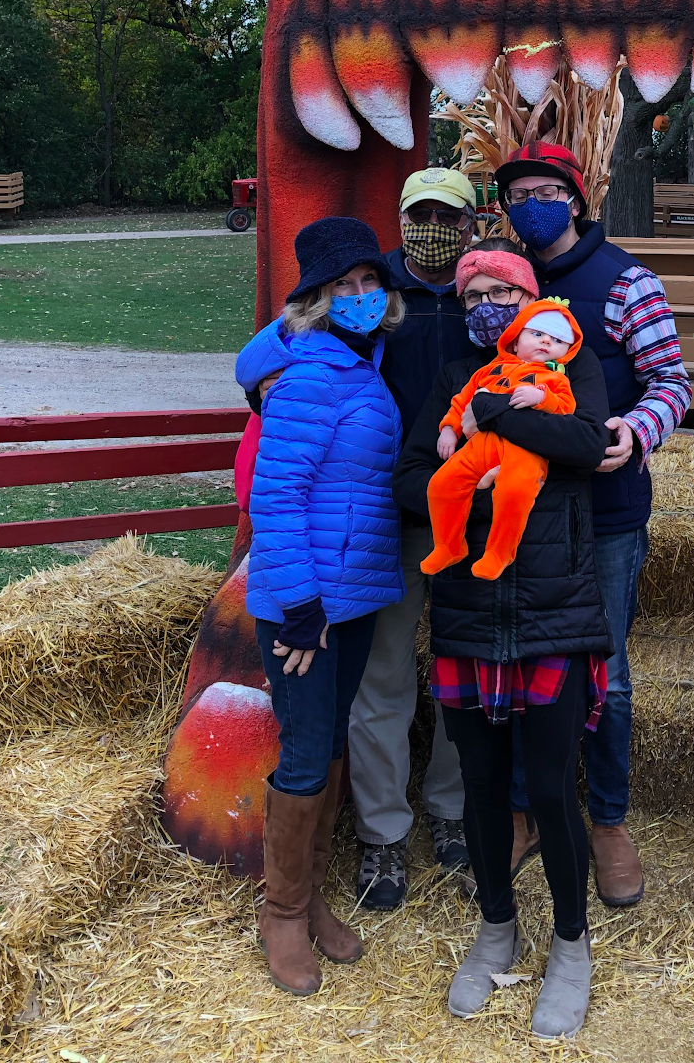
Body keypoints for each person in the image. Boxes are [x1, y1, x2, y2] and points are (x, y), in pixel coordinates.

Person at [237, 167, 479, 913]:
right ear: (403, 221)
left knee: (463, 676)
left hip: (469, 521)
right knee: (381, 682)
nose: (433, 226)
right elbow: (266, 352)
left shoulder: (486, 289)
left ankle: (451, 813)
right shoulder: (364, 310)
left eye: (448, 215)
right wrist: (258, 380)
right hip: (388, 524)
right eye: (420, 214)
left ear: (473, 224)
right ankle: (380, 832)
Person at [394, 237, 613, 1040]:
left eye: (501, 292)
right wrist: (465, 474)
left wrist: (499, 422)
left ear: (531, 303)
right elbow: (410, 478)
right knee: (481, 786)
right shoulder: (458, 380)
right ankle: (495, 925)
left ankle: (570, 941)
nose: (487, 305)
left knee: (552, 788)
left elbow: (589, 445)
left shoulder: (567, 367)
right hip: (468, 606)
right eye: (472, 293)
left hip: (555, 605)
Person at [494, 141, 692, 909]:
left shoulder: (626, 283)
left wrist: (635, 431)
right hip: (517, 510)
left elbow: (670, 379)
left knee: (604, 671)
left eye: (543, 192)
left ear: (575, 201)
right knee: (515, 660)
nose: (528, 207)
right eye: (515, 196)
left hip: (603, 511)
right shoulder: (505, 286)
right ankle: (522, 809)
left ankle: (607, 820)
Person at [238, 216, 405, 996]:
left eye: (372, 283)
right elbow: (277, 496)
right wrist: (302, 606)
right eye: (346, 287)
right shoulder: (309, 372)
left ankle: (312, 898)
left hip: (356, 593)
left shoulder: (356, 363)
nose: (364, 296)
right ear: (316, 298)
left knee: (331, 741)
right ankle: (281, 911)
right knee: (306, 751)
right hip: (309, 604)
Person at [423, 298, 582, 580]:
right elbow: (462, 402)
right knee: (441, 485)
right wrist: (449, 428)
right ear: (515, 340)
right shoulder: (488, 371)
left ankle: (499, 553)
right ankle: (448, 545)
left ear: (565, 352)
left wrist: (542, 397)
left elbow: (566, 407)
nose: (546, 342)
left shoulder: (554, 378)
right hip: (480, 445)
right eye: (537, 334)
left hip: (525, 451)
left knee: (515, 492)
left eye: (557, 340)